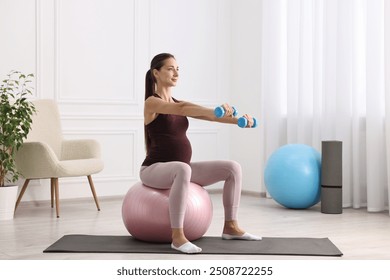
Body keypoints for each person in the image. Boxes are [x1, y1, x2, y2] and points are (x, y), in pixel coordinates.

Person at [140, 53, 261, 254]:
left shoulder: (177, 102)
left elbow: (208, 116)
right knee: (182, 169)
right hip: (153, 169)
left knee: (232, 168)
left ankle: (231, 226)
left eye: (178, 69)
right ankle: (177, 237)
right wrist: (215, 109)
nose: (176, 73)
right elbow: (183, 108)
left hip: (181, 170)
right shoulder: (152, 103)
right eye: (170, 68)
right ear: (156, 73)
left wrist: (239, 120)